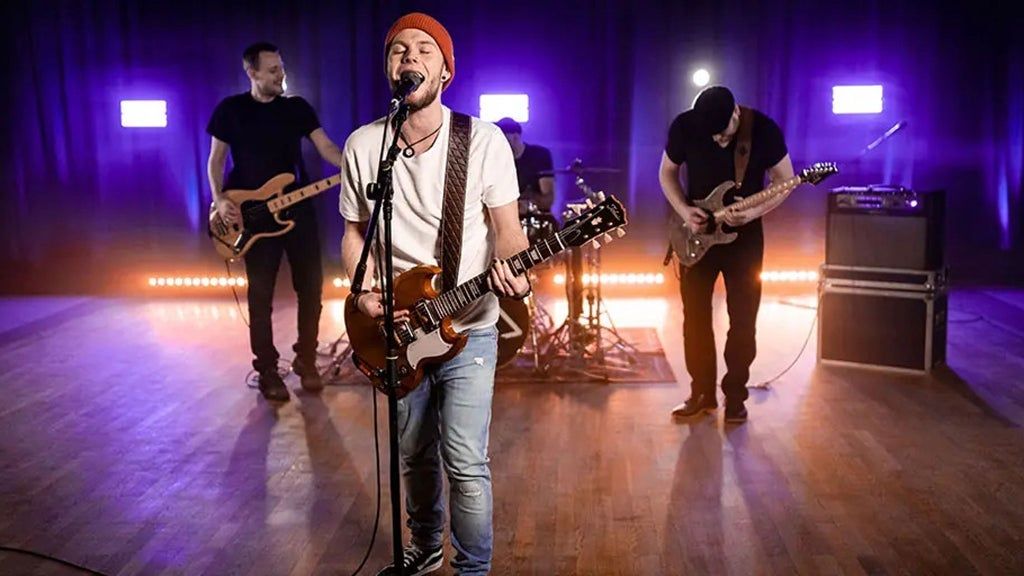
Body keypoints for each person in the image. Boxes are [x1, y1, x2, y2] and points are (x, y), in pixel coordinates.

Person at [338, 13, 530, 575]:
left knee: (465, 462)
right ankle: (424, 549)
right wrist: (362, 292)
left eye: (425, 49)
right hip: (397, 330)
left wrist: (517, 272)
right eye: (398, 50)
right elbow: (354, 233)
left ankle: (473, 569)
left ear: (445, 71)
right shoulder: (364, 145)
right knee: (414, 456)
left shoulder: (483, 140)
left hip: (469, 324)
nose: (410, 58)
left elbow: (508, 231)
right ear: (388, 68)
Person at [207, 41, 345, 401]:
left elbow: (326, 147)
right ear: (251, 72)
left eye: (281, 68)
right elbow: (215, 161)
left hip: (296, 210)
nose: (280, 75)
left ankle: (306, 359)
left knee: (311, 288)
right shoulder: (231, 110)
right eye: (272, 70)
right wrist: (220, 199)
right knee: (260, 295)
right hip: (251, 217)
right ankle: (267, 369)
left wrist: (354, 164)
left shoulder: (296, 108)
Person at [659, 85, 795, 423]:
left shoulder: (763, 129)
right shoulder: (685, 126)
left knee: (743, 319)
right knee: (695, 319)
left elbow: (785, 180)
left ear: (736, 113)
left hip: (744, 240)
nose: (720, 140)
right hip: (696, 237)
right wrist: (684, 211)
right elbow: (666, 172)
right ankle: (701, 393)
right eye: (713, 136)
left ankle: (735, 396)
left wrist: (753, 213)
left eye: (725, 133)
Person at [494, 117, 555, 217]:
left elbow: (548, 199)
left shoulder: (539, 155)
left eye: (502, 139)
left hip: (536, 218)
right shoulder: (497, 160)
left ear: (515, 137)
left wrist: (528, 202)